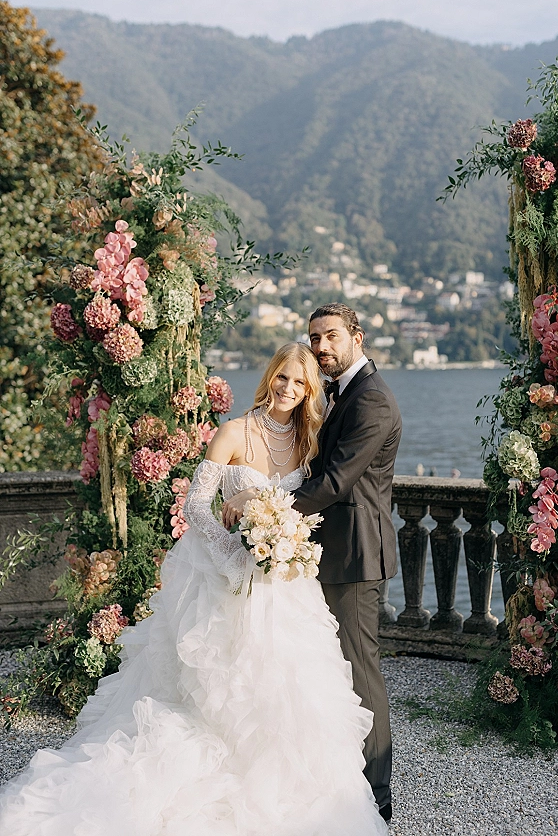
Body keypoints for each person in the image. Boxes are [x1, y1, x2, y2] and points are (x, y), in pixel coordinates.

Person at [0, 341, 388, 836]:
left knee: (288, 694)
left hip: (282, 589)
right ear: (270, 377)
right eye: (283, 377)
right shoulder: (232, 433)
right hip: (223, 579)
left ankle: (289, 798)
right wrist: (234, 555)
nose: (289, 389)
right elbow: (196, 507)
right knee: (213, 694)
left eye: (301, 382)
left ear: (311, 390)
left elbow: (310, 501)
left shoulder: (308, 444)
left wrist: (278, 545)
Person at [223, 305, 402, 826]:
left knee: (359, 673)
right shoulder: (340, 393)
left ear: (356, 337)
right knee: (329, 672)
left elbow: (335, 483)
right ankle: (331, 782)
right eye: (313, 339)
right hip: (327, 552)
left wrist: (266, 511)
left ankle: (376, 797)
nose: (321, 346)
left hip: (354, 555)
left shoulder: (372, 400)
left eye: (330, 337)